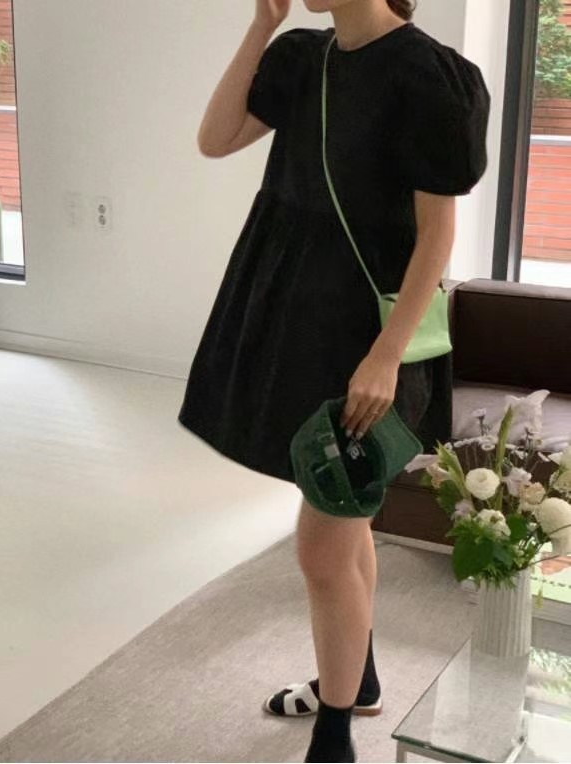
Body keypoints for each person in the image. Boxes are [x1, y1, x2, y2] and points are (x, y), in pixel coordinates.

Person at [177, 0, 491, 760]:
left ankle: (335, 733)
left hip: (367, 335)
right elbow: (215, 139)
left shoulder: (430, 77)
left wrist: (386, 355)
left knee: (323, 546)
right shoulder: (299, 57)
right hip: (293, 322)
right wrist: (262, 24)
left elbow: (436, 234)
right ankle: (360, 677)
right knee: (344, 523)